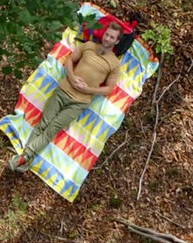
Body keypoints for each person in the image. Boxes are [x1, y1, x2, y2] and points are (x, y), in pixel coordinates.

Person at [7, 22, 124, 172]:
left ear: (117, 41)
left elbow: (108, 89)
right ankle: (24, 161)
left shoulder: (114, 64)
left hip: (79, 102)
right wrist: (72, 76)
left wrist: (89, 89)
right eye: (107, 34)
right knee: (43, 124)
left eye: (112, 37)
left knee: (52, 129)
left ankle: (23, 158)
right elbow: (69, 60)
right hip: (63, 90)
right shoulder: (88, 45)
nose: (107, 39)